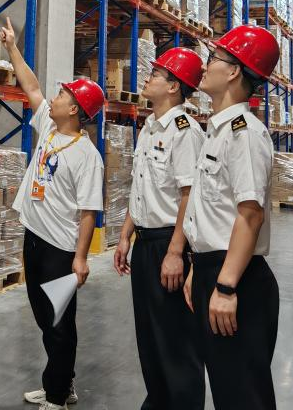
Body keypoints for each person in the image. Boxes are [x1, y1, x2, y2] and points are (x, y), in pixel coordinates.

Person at [0, 17, 105, 410]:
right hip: (36, 239)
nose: (55, 96)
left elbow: (89, 212)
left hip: (61, 250)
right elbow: (31, 86)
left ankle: (59, 396)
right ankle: (59, 382)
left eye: (64, 95)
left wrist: (80, 257)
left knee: (60, 324)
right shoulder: (49, 127)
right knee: (46, 318)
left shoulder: (86, 156)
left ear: (75, 110)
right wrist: (12, 47)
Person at [183, 24, 281, 409]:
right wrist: (198, 267)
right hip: (216, 269)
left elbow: (250, 215)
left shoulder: (245, 134)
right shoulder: (218, 130)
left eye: (213, 59)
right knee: (225, 388)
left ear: (235, 71)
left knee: (242, 395)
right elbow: (213, 211)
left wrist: (224, 287)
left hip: (237, 278)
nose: (204, 67)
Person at [114, 47, 205, 409]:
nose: (148, 78)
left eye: (156, 75)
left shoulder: (185, 131)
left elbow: (189, 194)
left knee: (176, 340)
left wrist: (175, 252)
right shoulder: (149, 126)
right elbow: (142, 188)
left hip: (170, 242)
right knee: (149, 336)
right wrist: (125, 235)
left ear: (174, 87)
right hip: (146, 241)